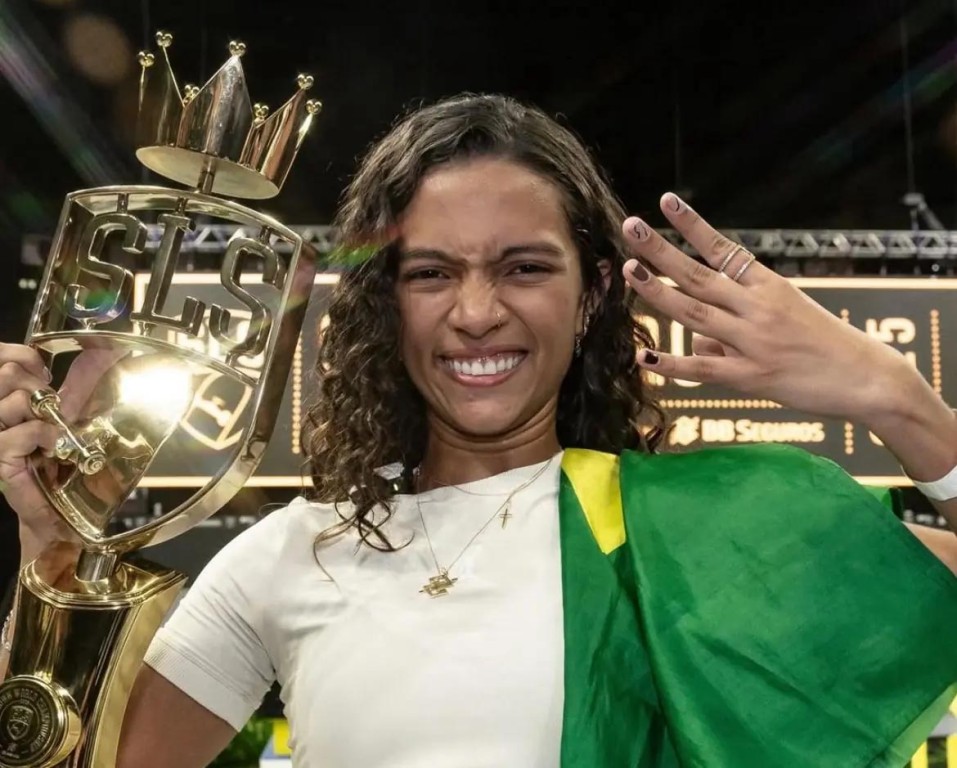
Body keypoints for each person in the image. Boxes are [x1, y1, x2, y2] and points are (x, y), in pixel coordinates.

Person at [1, 93, 956, 767]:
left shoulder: (710, 530)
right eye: (430, 274)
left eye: (523, 268)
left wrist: (901, 402)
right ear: (386, 302)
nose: (475, 313)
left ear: (592, 293)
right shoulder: (289, 555)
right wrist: (53, 550)